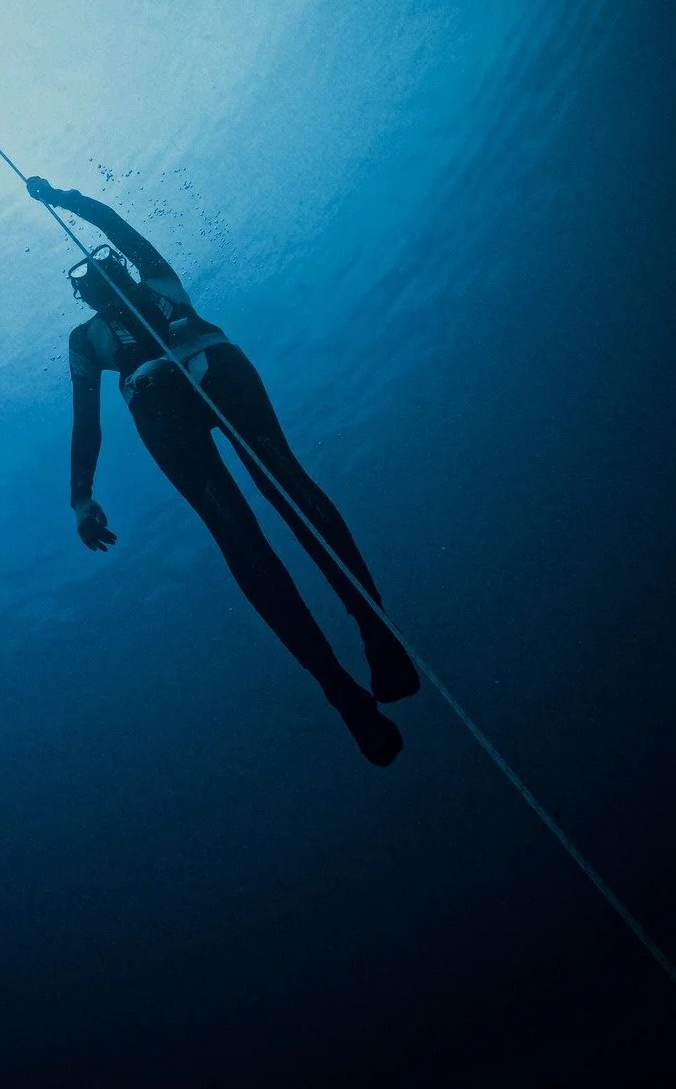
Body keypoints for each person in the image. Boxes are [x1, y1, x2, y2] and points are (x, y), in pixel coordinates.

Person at [26, 175, 419, 766]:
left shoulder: (87, 338)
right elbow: (114, 225)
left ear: (88, 296)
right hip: (214, 367)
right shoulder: (155, 281)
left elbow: (89, 422)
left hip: (158, 403)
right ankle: (375, 635)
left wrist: (81, 497)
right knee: (284, 485)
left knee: (240, 527)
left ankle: (348, 682)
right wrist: (63, 199)